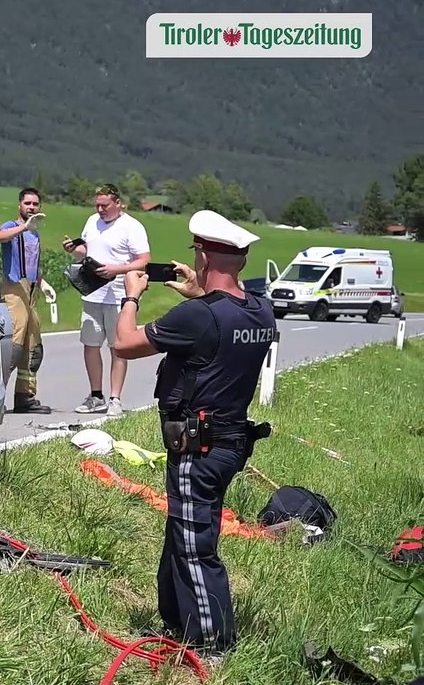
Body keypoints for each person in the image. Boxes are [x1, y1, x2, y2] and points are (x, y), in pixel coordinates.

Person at [111, 209, 277, 657]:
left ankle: (210, 644)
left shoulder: (196, 316)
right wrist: (200, 291)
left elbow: (123, 344)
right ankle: (177, 622)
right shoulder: (261, 309)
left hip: (197, 448)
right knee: (181, 532)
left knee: (195, 546)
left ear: (202, 257)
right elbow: (226, 313)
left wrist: (131, 297)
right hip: (231, 441)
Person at [61, 183, 150, 416]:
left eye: (105, 205)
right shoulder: (92, 221)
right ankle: (96, 395)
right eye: (97, 205)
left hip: (119, 293)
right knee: (90, 344)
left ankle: (115, 398)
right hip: (92, 290)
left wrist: (117, 270)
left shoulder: (132, 227)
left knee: (117, 347)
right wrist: (74, 249)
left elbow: (143, 260)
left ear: (118, 203)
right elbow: (87, 250)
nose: (100, 210)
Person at [0, 187, 56, 413]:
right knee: (14, 343)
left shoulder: (35, 234)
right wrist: (23, 227)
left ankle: (25, 396)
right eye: (27, 203)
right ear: (19, 205)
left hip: (31, 291)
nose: (31, 207)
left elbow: (32, 264)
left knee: (33, 345)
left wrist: (42, 283)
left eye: (35, 204)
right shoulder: (12, 226)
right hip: (13, 289)